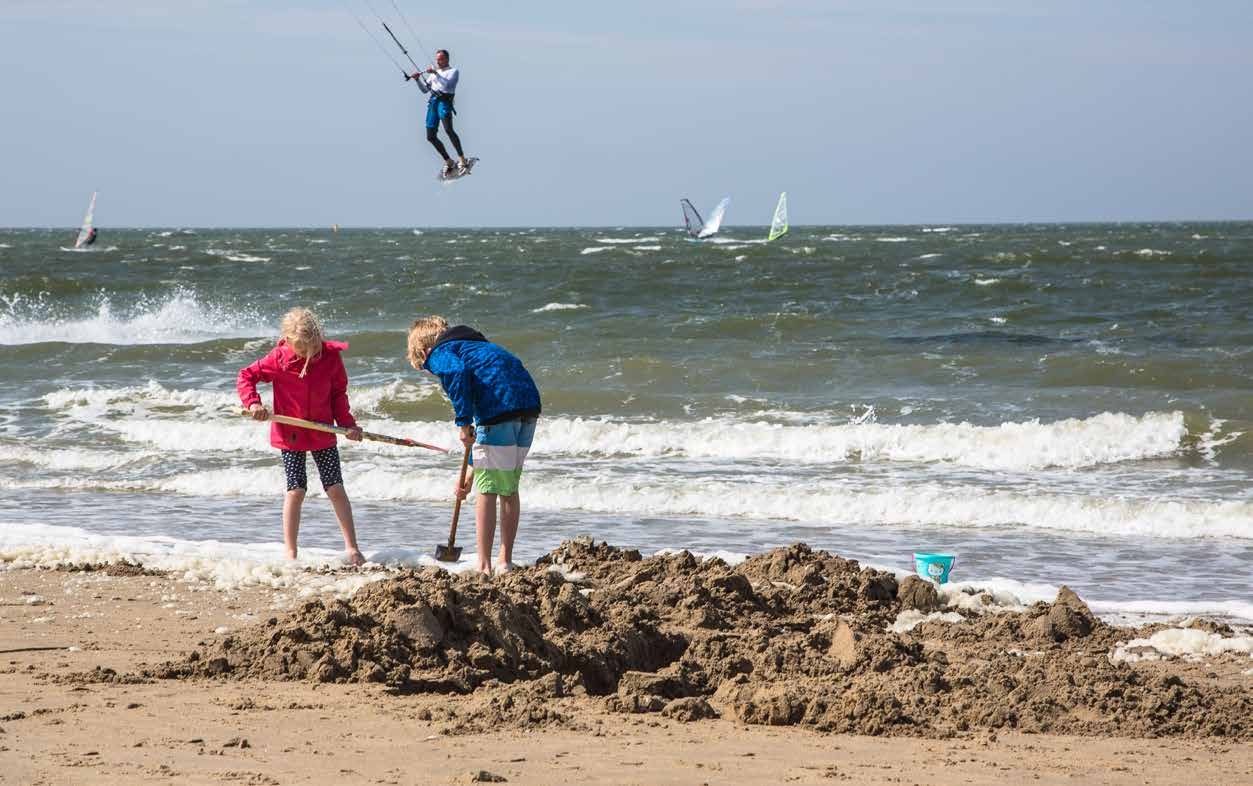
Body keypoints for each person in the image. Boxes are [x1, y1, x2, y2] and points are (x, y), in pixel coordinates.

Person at [406, 316, 541, 575]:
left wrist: (462, 421)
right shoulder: (474, 347)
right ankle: (505, 560)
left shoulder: (440, 351)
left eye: (427, 369)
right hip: (528, 405)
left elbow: (456, 373)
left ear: (424, 352)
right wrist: (470, 471)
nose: (434, 373)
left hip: (499, 411)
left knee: (487, 490)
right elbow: (487, 418)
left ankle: (484, 565)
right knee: (508, 486)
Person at [238, 307, 366, 566]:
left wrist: (347, 425)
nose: (309, 356)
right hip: (291, 433)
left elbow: (338, 396)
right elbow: (246, 376)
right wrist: (254, 404)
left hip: (322, 431)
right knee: (296, 489)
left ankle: (352, 548)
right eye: (301, 351)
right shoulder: (278, 358)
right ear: (287, 341)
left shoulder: (331, 359)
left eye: (314, 350)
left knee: (335, 487)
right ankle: (291, 553)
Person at [410, 49, 470, 177]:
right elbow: (425, 90)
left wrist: (436, 73)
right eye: (437, 59)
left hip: (444, 103)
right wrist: (417, 80)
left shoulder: (453, 72)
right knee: (430, 136)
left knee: (449, 130)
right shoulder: (433, 75)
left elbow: (448, 85)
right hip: (433, 103)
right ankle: (449, 162)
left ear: (446, 59)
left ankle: (462, 160)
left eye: (440, 59)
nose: (438, 61)